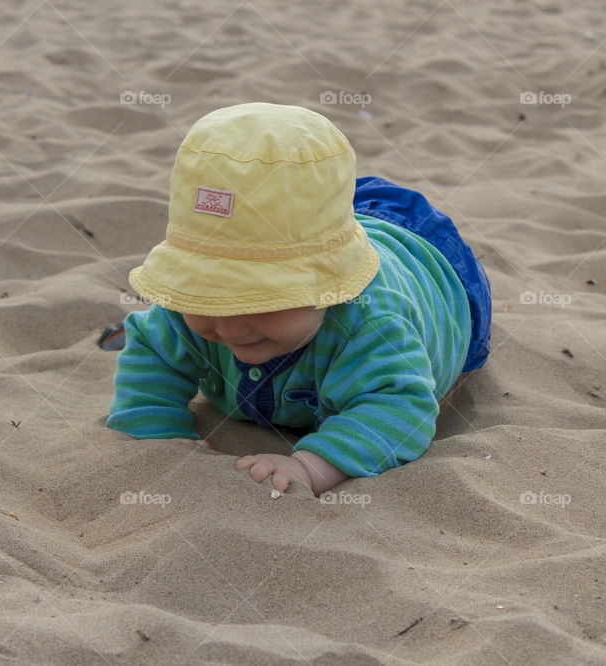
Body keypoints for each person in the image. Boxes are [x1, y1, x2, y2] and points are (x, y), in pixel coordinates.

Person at [104, 103, 491, 497]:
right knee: (301, 215)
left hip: (438, 264)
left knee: (315, 221)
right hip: (324, 216)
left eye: (263, 299)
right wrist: (156, 430)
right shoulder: (180, 306)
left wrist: (312, 465)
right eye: (209, 295)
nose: (230, 325)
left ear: (330, 285)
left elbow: (402, 408)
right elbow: (151, 350)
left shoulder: (371, 324)